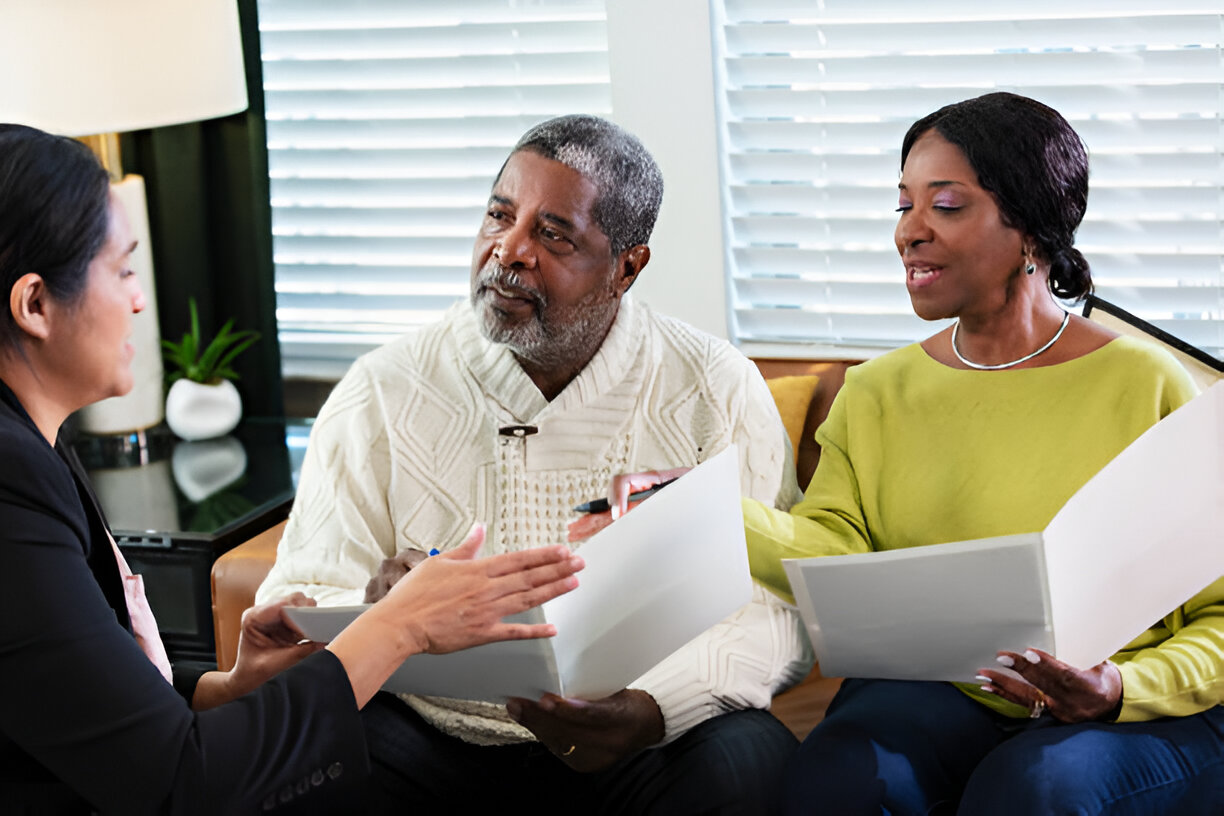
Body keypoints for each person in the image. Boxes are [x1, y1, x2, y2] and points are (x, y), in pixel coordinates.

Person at [0, 123, 584, 815]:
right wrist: (399, 626)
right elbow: (179, 784)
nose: (138, 299)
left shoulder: (33, 441)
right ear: (35, 304)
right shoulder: (11, 480)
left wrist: (227, 688)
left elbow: (60, 701)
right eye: (124, 269)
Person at [255, 114, 812, 814]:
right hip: (427, 730)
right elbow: (303, 589)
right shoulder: (382, 387)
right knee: (294, 763)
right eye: (499, 216)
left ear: (627, 267)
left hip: (638, 737)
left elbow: (771, 613)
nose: (507, 251)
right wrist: (378, 611)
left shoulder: (715, 386)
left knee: (755, 768)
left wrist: (646, 709)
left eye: (553, 235)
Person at [742, 92, 1224, 815]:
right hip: (948, 689)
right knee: (836, 779)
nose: (909, 231)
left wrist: (1117, 688)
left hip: (1132, 701)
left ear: (1029, 226)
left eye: (946, 205)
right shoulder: (876, 392)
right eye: (902, 205)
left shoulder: (1143, 382)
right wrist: (704, 513)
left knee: (1033, 790)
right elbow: (831, 549)